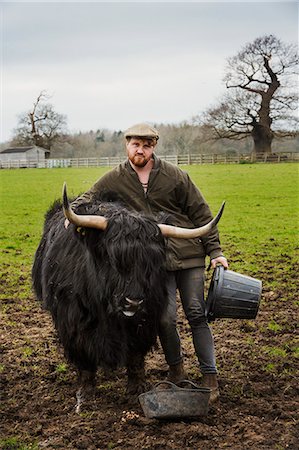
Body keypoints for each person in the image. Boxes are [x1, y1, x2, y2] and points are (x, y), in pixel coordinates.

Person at [67, 123, 228, 402]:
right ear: (127, 146)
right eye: (134, 144)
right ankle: (176, 373)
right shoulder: (115, 177)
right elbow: (86, 199)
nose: (139, 150)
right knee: (163, 319)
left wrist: (215, 252)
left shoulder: (176, 176)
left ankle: (209, 376)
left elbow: (202, 215)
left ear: (153, 147)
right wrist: (73, 219)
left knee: (196, 313)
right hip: (152, 261)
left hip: (188, 254)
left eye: (146, 145)